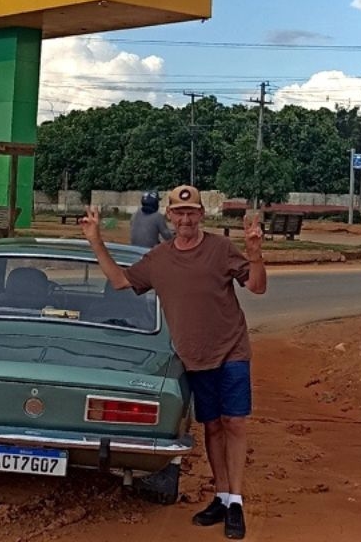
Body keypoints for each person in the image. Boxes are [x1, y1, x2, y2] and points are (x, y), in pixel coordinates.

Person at [81, 185, 266, 540]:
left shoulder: (221, 249)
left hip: (231, 349)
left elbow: (257, 287)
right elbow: (120, 281)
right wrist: (95, 240)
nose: (185, 219)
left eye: (192, 212)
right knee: (211, 426)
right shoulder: (159, 259)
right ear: (169, 215)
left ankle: (237, 502)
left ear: (201, 215)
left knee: (235, 422)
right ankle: (222, 496)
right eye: (179, 213)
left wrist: (255, 254)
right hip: (194, 357)